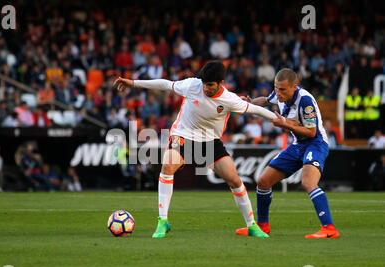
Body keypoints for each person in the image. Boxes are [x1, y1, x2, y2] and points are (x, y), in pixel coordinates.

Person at [113, 60, 278, 238]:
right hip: (182, 135)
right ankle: (163, 221)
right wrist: (133, 83)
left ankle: (252, 225)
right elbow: (165, 84)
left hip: (210, 142)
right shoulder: (193, 85)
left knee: (235, 181)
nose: (205, 88)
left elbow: (255, 109)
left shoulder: (229, 99)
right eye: (204, 84)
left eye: (210, 85)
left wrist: (279, 120)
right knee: (167, 167)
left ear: (221, 83)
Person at [236, 68, 340, 238]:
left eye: (282, 89)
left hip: (316, 143)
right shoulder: (279, 93)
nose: (278, 92)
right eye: (276, 88)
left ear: (294, 87)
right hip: (298, 144)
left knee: (308, 182)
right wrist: (251, 102)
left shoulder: (305, 100)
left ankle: (329, 228)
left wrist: (286, 124)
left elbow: (312, 132)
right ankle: (262, 226)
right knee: (263, 182)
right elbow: (267, 100)